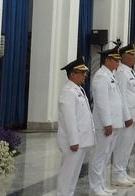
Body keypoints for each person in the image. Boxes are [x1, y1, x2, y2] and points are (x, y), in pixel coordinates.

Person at [89, 46, 125, 196]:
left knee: (106, 155)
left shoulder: (109, 75)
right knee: (99, 156)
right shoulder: (101, 76)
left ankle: (101, 185)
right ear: (107, 60)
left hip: (114, 122)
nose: (118, 63)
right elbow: (102, 103)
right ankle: (95, 187)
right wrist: (107, 123)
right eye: (116, 60)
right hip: (106, 124)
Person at [57, 57, 94, 196]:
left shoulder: (77, 89)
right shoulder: (68, 91)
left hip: (81, 139)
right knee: (67, 174)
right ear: (72, 74)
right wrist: (73, 141)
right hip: (73, 141)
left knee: (74, 175)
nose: (84, 76)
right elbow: (69, 119)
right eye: (82, 73)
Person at [111, 43, 135, 187]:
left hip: (134, 115)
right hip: (128, 116)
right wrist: (126, 116)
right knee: (122, 146)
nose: (134, 57)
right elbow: (121, 96)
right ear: (124, 57)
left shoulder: (129, 71)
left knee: (128, 146)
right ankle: (118, 174)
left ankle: (123, 172)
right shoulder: (122, 73)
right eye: (131, 55)